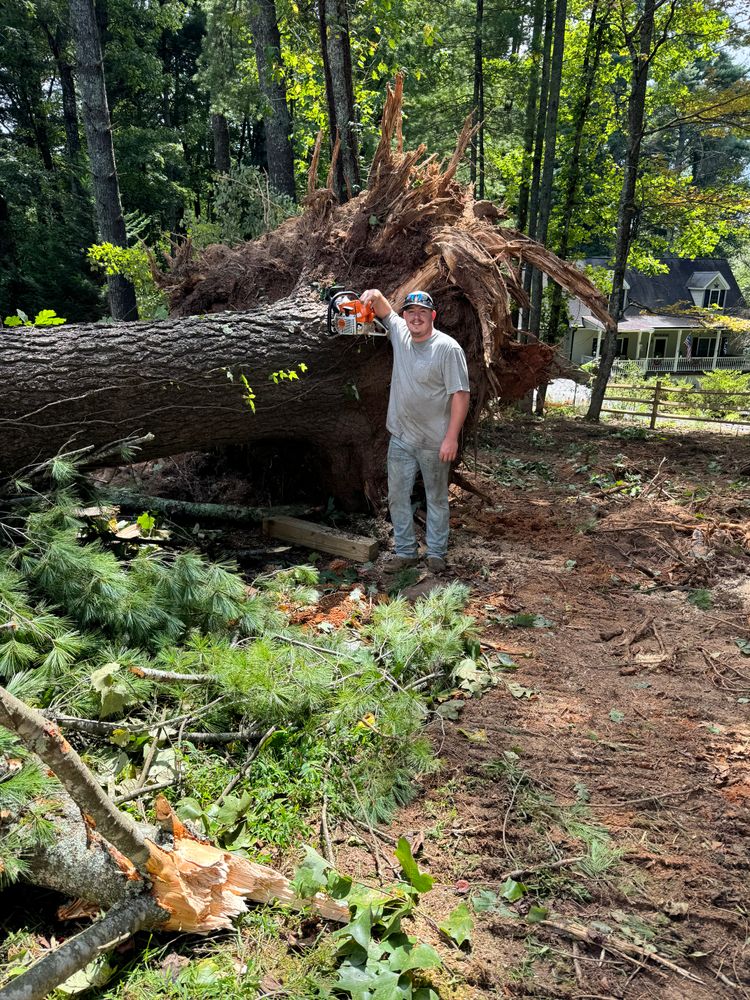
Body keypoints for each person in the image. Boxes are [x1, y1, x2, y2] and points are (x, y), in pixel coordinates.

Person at [360, 288, 470, 573]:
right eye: (411, 312)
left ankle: (436, 554)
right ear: (405, 316)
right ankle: (406, 552)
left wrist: (451, 437)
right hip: (401, 438)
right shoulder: (400, 334)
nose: (416, 317)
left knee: (435, 498)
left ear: (433, 316)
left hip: (435, 442)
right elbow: (384, 308)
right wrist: (372, 294)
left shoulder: (447, 348)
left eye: (422, 312)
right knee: (397, 496)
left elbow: (460, 394)